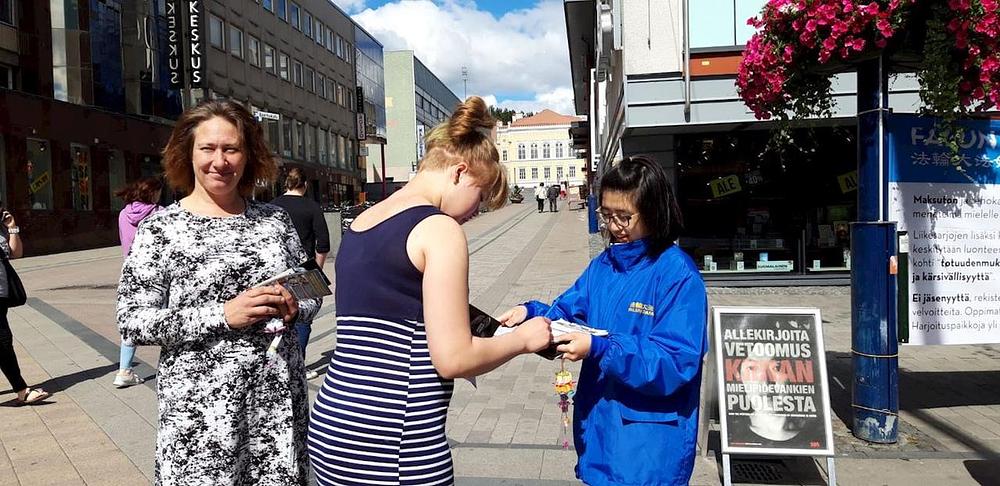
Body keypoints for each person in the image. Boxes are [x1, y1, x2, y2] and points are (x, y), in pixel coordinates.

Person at [307, 96, 553, 486]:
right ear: (458, 172)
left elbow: (394, 312)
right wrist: (524, 339)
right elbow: (454, 358)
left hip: (333, 429)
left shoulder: (363, 223)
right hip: (394, 440)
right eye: (481, 194)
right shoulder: (439, 229)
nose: (477, 210)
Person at [117, 99, 319, 485]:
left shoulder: (275, 220)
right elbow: (132, 320)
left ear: (248, 156)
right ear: (187, 154)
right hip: (201, 416)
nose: (219, 161)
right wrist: (222, 315)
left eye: (231, 148)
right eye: (208, 148)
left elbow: (312, 287)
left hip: (275, 408)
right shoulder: (161, 230)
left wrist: (296, 305)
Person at [499, 155, 708, 486]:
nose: (613, 227)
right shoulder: (604, 265)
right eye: (606, 214)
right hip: (601, 431)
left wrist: (600, 349)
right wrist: (532, 313)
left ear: (653, 213)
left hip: (649, 446)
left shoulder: (677, 274)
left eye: (624, 217)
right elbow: (568, 310)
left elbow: (674, 362)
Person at [271, 167, 331, 380]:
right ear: (304, 185)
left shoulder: (272, 206)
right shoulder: (311, 207)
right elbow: (323, 243)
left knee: (276, 316)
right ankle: (298, 364)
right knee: (303, 318)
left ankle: (276, 363)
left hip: (276, 272)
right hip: (303, 270)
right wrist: (317, 270)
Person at [112, 177, 163, 388]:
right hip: (158, 273)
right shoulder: (160, 212)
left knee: (133, 320)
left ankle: (124, 371)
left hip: (131, 271)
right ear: (152, 193)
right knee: (169, 317)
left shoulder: (123, 213)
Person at [0, 208, 50, 405]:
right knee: (3, 340)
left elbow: (16, 253)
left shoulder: (2, 228)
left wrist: (12, 228)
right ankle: (22, 390)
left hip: (2, 291)